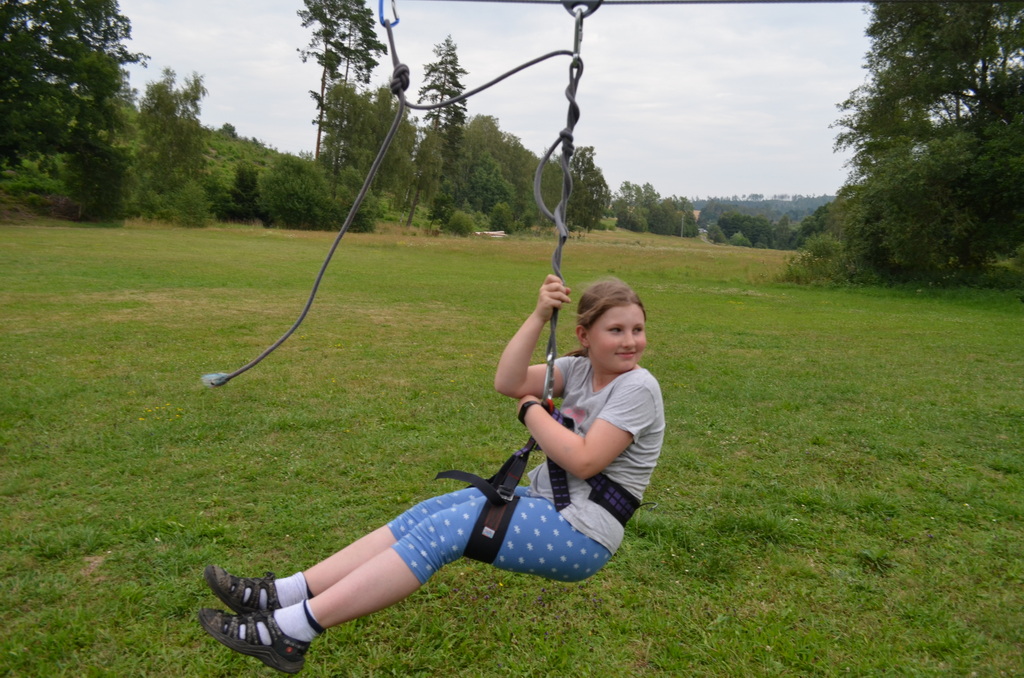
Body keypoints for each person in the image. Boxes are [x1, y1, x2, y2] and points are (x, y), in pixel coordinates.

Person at [197, 274, 665, 674]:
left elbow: (584, 461)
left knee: (445, 532)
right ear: (584, 335)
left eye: (637, 329)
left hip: (583, 533)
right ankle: (284, 594)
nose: (630, 341)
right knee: (426, 514)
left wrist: (530, 411)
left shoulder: (638, 387)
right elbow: (507, 381)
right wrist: (539, 315)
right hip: (550, 506)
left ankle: (291, 631)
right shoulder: (578, 370)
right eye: (616, 330)